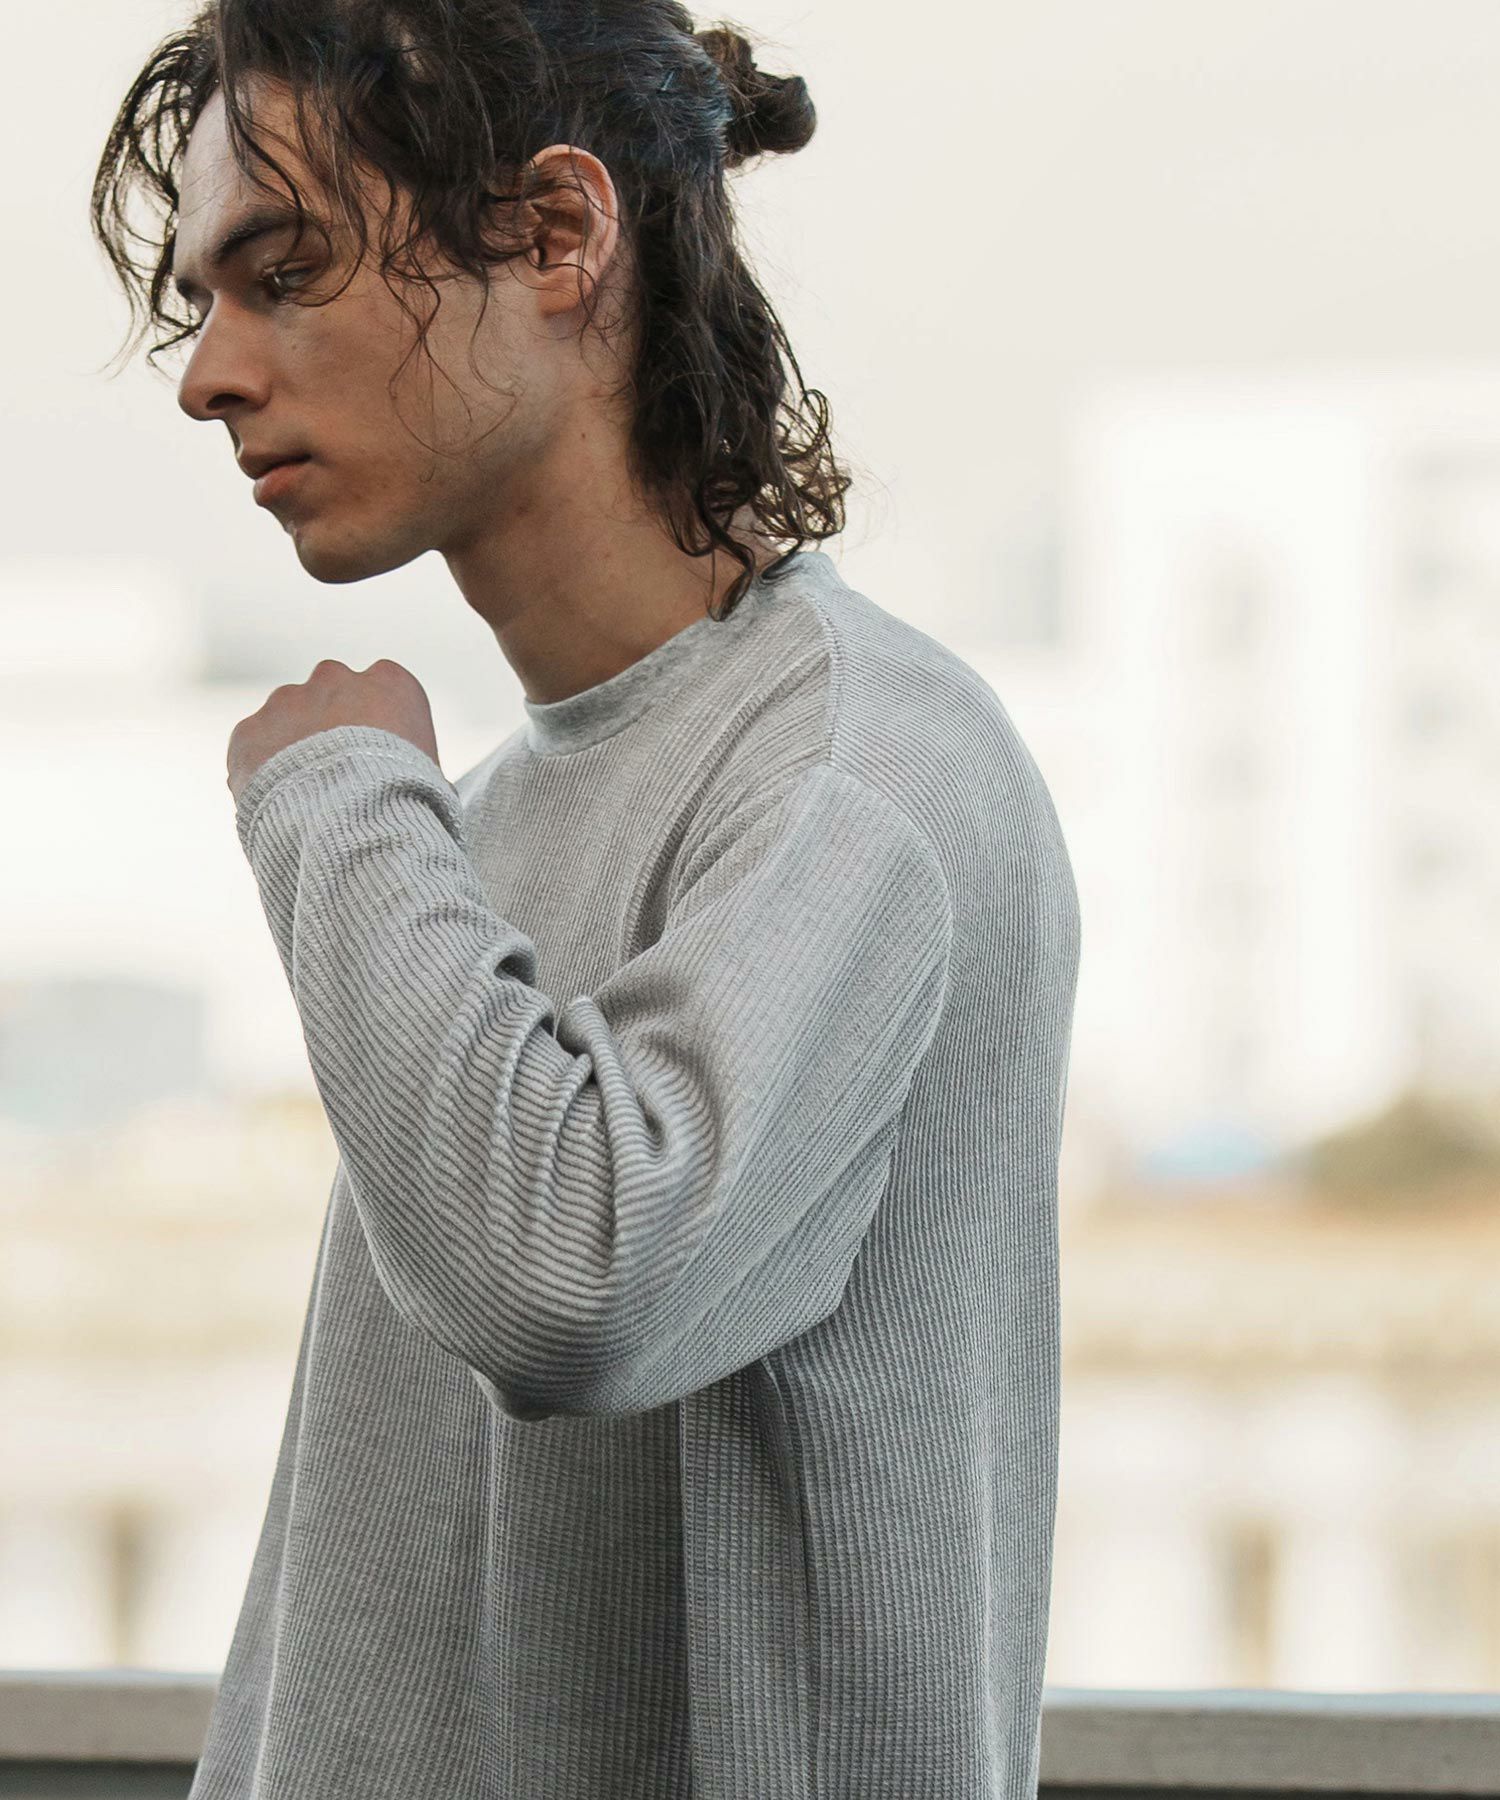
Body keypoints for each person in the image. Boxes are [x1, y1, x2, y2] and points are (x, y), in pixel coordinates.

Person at [90, 3, 1082, 1796]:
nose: (207, 374)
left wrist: (338, 801)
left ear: (557, 235)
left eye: (285, 273)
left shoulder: (863, 774)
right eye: (203, 301)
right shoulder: (481, 816)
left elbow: (572, 1288)